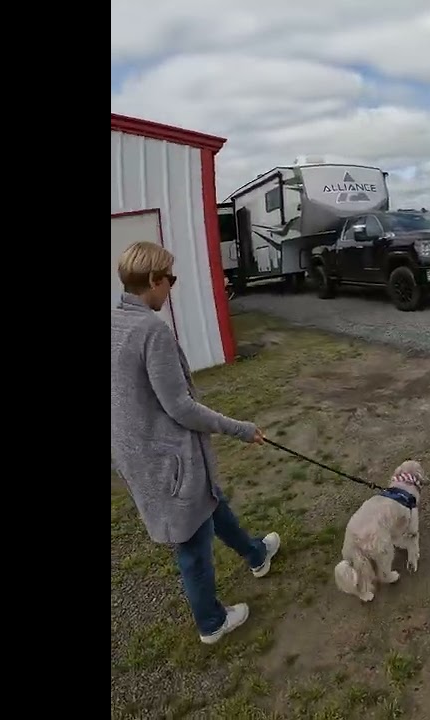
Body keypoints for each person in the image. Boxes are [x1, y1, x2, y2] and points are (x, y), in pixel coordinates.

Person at [111, 241, 282, 645]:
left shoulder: (117, 321)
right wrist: (240, 428)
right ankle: (212, 623)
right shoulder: (150, 331)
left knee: (211, 502)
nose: (171, 287)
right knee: (191, 544)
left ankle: (256, 554)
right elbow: (181, 408)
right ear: (153, 280)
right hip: (165, 460)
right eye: (169, 279)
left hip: (141, 455)